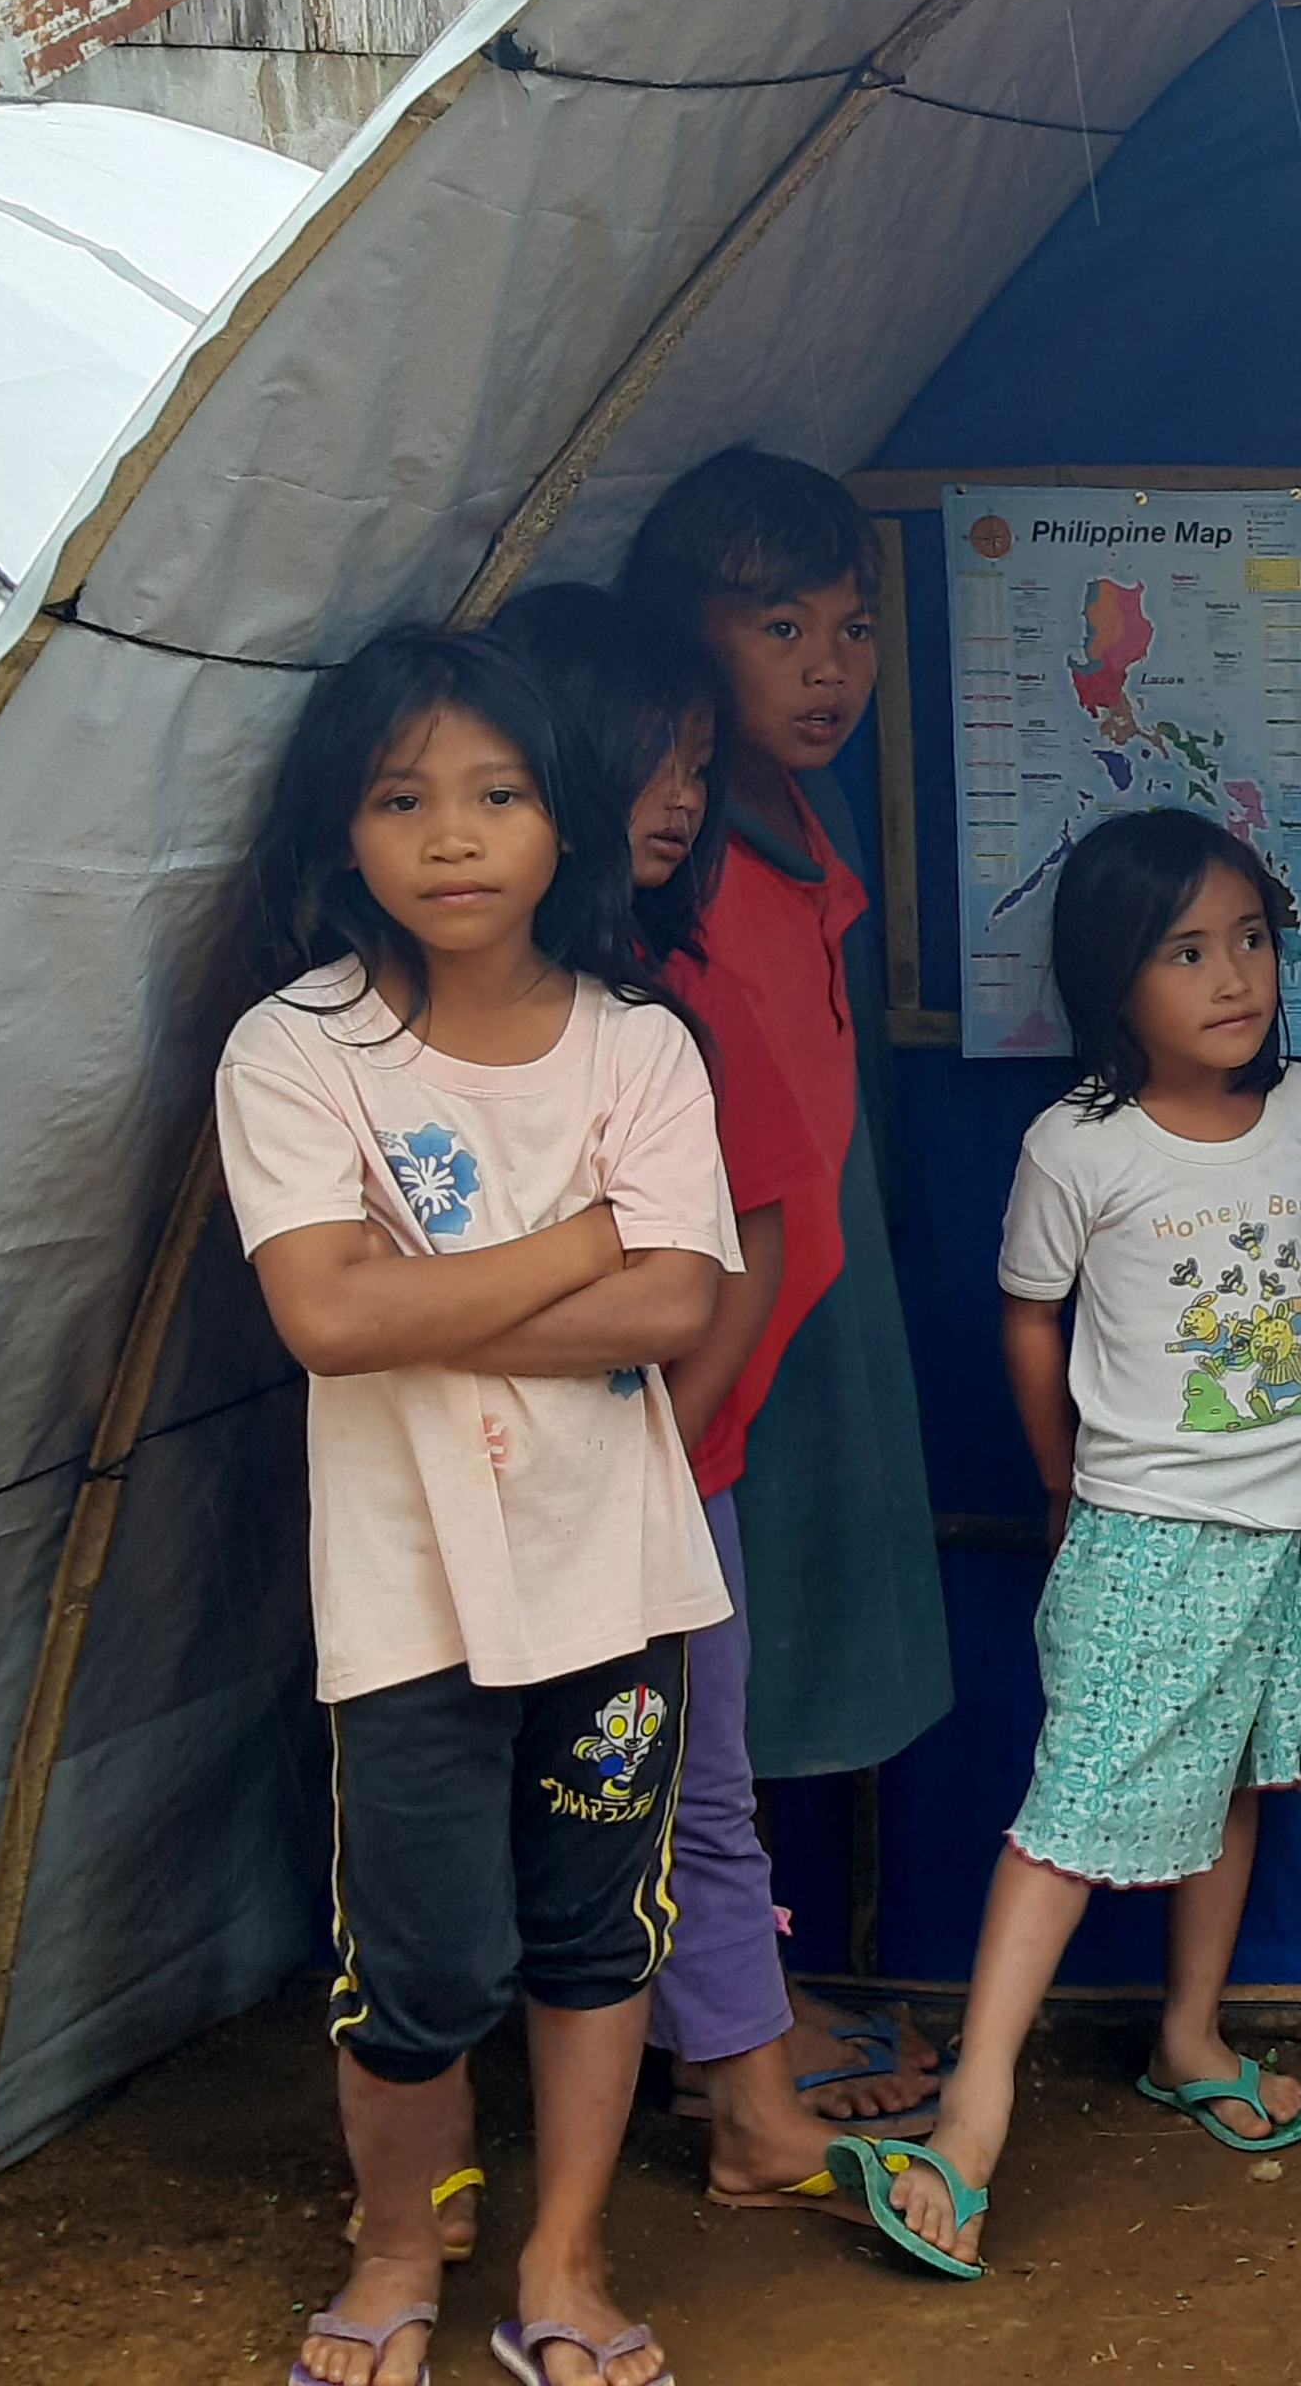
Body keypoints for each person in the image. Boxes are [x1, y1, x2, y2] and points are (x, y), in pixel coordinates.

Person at [215, 626, 737, 2386]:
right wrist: (587, 1237)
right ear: (337, 832)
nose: (451, 836)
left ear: (563, 822)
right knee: (421, 1963)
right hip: (409, 1592)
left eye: (496, 794)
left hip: (617, 1580)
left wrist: (433, 1285)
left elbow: (681, 1309)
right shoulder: (299, 1051)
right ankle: (391, 2246)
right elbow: (324, 1318)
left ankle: (565, 2263)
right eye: (400, 796)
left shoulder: (639, 1047)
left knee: (600, 1937)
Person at [830, 809, 1301, 2278]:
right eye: (1185, 951)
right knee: (1069, 1815)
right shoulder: (1078, 1143)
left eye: (1251, 939)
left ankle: (1189, 2037)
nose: (1232, 977)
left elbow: (1294, 1294)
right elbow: (1030, 1313)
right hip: (1148, 1531)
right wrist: (1064, 1481)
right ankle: (971, 2124)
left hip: (1292, 1511)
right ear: (1109, 981)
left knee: (1241, 1771)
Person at [491, 583, 902, 2223]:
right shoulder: (455, 1016)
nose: (682, 797)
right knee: (492, 1805)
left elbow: (756, 1240)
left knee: (684, 1789)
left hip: (658, 1472)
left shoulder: (667, 1004)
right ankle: (453, 2140)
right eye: (654, 764)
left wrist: (660, 1450)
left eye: (692, 765)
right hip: (497, 1484)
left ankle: (743, 2103)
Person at [617, 451, 953, 2111]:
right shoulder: (682, 874)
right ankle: (720, 2043)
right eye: (781, 626)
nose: (832, 666)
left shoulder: (787, 829)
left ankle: (748, 2001)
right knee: (707, 1719)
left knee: (758, 1697)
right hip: (737, 1337)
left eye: (854, 627)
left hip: (808, 1304)